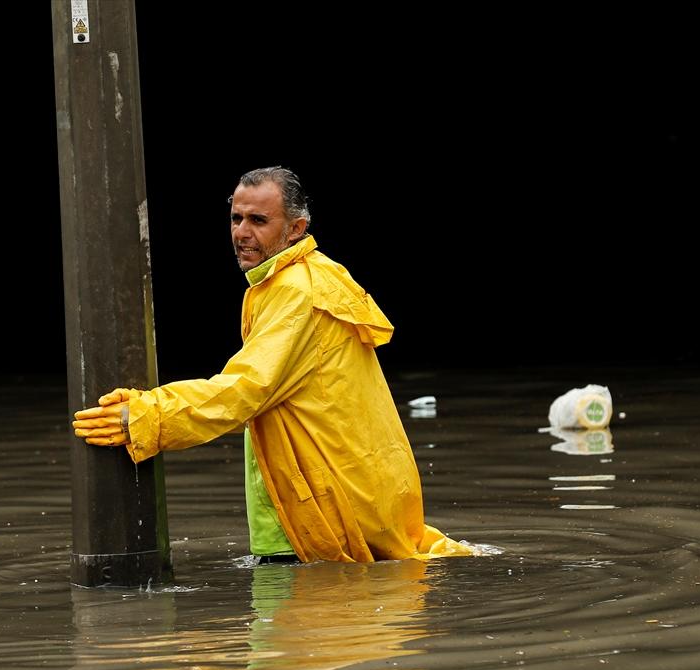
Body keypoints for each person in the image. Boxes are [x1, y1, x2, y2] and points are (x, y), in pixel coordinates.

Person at [72, 166, 473, 564]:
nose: (241, 232)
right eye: (236, 218)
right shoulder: (298, 279)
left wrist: (147, 417)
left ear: (296, 229)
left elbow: (244, 389)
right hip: (330, 497)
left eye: (259, 220)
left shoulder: (297, 291)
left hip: (316, 512)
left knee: (297, 621)